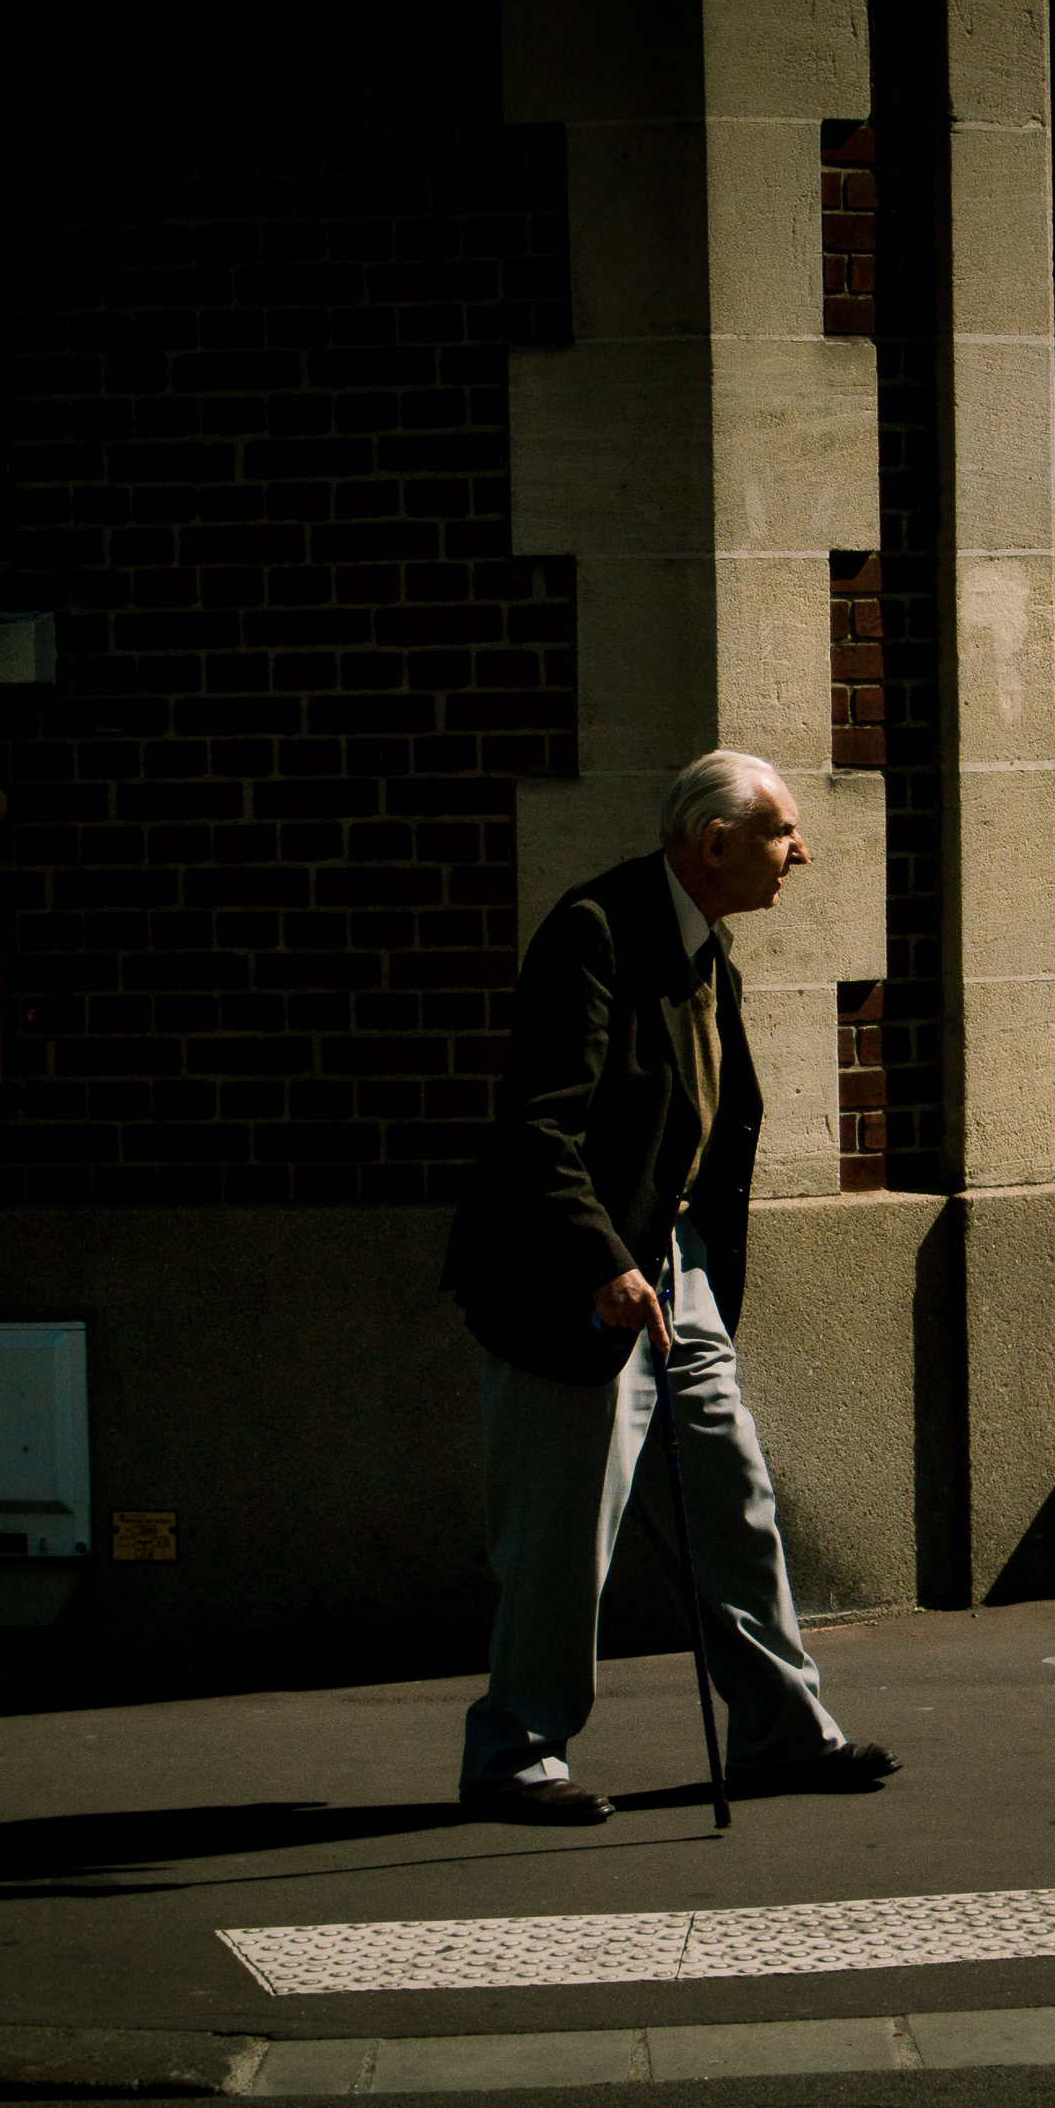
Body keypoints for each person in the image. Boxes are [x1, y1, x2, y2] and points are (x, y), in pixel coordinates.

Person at [438, 748, 900, 1823]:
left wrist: (672, 1263)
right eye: (784, 831)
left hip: (673, 1268)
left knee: (731, 1497)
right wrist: (602, 1262)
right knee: (563, 1530)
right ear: (716, 842)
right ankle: (514, 1754)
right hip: (575, 1277)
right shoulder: (596, 933)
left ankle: (783, 1731)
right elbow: (539, 1128)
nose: (801, 852)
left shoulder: (706, 951)